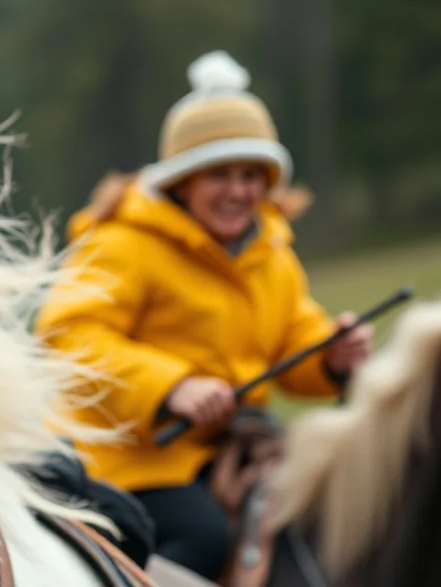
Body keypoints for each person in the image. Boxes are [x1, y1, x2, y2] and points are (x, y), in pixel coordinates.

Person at [35, 50, 373, 580]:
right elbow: (67, 335)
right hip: (125, 459)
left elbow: (292, 337)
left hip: (228, 454)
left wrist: (331, 355)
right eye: (219, 174)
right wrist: (173, 388)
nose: (239, 192)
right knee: (203, 536)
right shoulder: (122, 243)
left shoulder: (272, 253)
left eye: (251, 175)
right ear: (182, 180)